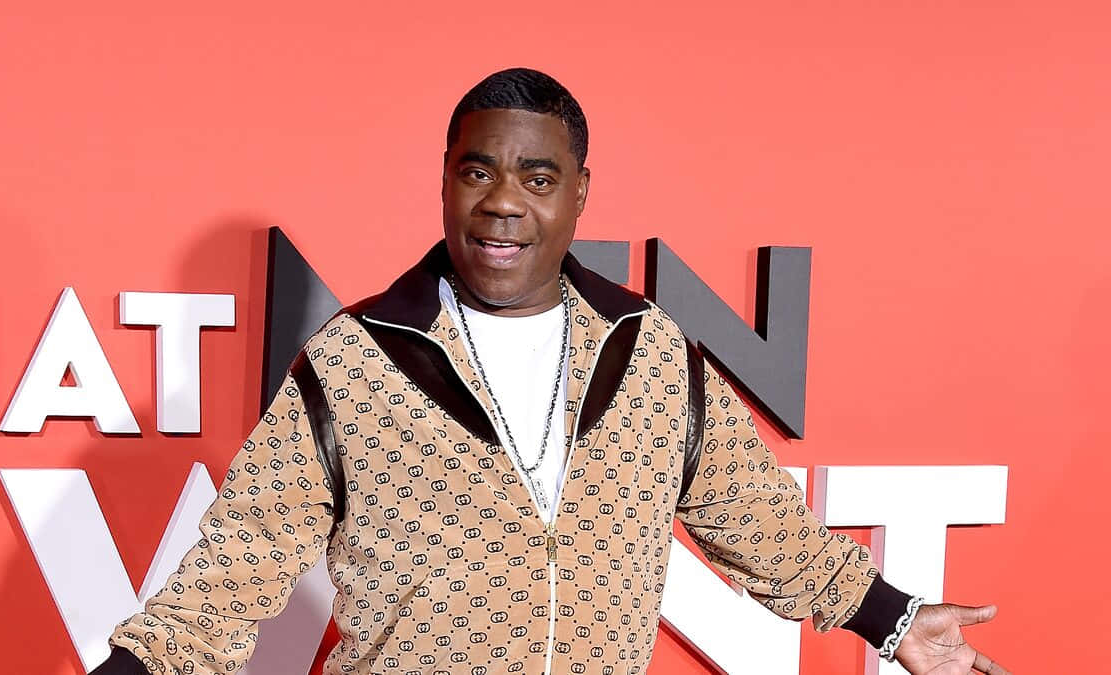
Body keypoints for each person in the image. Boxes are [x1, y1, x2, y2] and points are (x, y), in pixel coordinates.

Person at [92, 68, 1008, 675]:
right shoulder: (355, 361)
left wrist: (894, 619)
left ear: (579, 193)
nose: (501, 202)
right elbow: (230, 572)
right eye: (476, 170)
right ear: (445, 180)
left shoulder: (649, 351)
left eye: (536, 177)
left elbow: (762, 524)